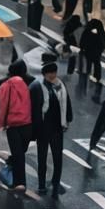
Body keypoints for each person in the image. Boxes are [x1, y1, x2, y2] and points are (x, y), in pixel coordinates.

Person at [29, 61, 72, 196]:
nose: (53, 75)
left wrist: (67, 120)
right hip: (43, 129)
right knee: (42, 158)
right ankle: (41, 184)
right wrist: (34, 129)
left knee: (57, 157)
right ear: (45, 74)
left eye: (54, 72)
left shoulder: (61, 85)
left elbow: (67, 103)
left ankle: (56, 181)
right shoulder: (38, 86)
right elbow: (33, 109)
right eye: (50, 73)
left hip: (57, 128)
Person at [0, 59, 32, 192]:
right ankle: (16, 173)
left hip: (13, 125)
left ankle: (19, 182)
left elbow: (3, 105)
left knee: (18, 154)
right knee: (21, 152)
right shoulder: (29, 82)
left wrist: (1, 123)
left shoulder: (7, 85)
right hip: (27, 123)